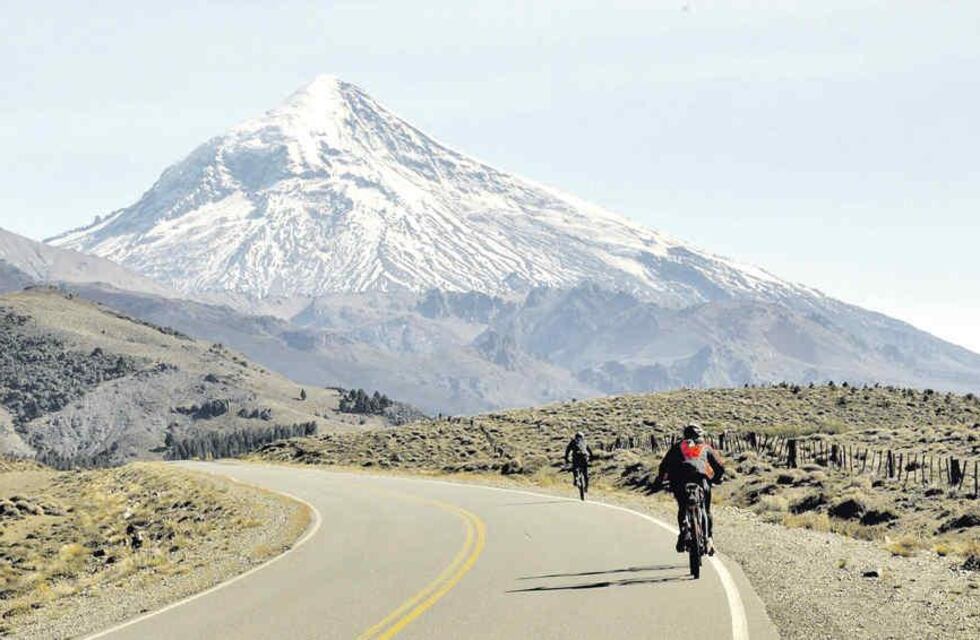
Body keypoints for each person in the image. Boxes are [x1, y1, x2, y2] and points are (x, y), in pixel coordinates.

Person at [653, 424, 725, 554]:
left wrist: (661, 480)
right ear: (700, 436)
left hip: (680, 481)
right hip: (701, 479)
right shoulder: (706, 447)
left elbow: (664, 465)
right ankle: (708, 539)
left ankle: (683, 533)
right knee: (705, 509)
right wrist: (717, 478)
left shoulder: (677, 447)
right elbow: (719, 466)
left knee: (682, 507)